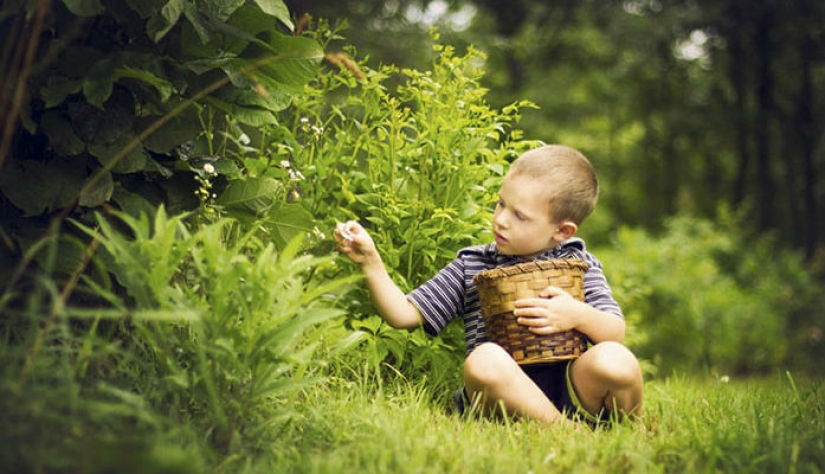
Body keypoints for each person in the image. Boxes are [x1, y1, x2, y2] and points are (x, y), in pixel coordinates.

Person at [334, 144, 643, 426]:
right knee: (483, 359)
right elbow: (403, 314)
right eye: (500, 204)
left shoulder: (577, 264)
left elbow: (614, 332)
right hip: (501, 397)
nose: (501, 220)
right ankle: (567, 432)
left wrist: (576, 314)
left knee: (616, 360)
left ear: (562, 230)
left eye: (519, 216)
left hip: (571, 388)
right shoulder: (474, 265)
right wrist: (370, 262)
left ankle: (630, 429)